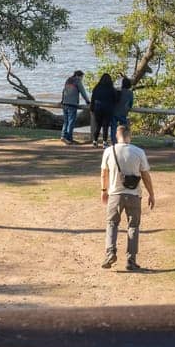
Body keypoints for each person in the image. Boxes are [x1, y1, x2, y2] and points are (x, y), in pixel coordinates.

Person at [100, 123, 155, 271]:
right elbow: (145, 175)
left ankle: (110, 253)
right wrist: (151, 194)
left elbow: (104, 173)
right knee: (133, 226)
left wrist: (104, 190)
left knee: (112, 224)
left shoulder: (109, 151)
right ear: (129, 136)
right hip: (134, 195)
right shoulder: (138, 152)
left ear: (116, 136)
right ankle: (131, 260)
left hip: (115, 194)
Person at [60, 70, 91, 144]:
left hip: (65, 103)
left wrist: (62, 100)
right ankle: (69, 138)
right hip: (72, 104)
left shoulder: (68, 80)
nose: (82, 79)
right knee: (71, 122)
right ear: (78, 76)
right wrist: (88, 101)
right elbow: (83, 92)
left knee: (66, 121)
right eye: (82, 77)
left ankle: (63, 136)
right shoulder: (77, 81)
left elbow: (64, 91)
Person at [90, 72, 117, 147]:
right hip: (108, 109)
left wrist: (92, 108)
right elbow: (115, 99)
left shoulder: (97, 87)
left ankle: (95, 141)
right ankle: (104, 142)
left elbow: (93, 98)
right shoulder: (111, 89)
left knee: (98, 125)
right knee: (106, 126)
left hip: (98, 108)